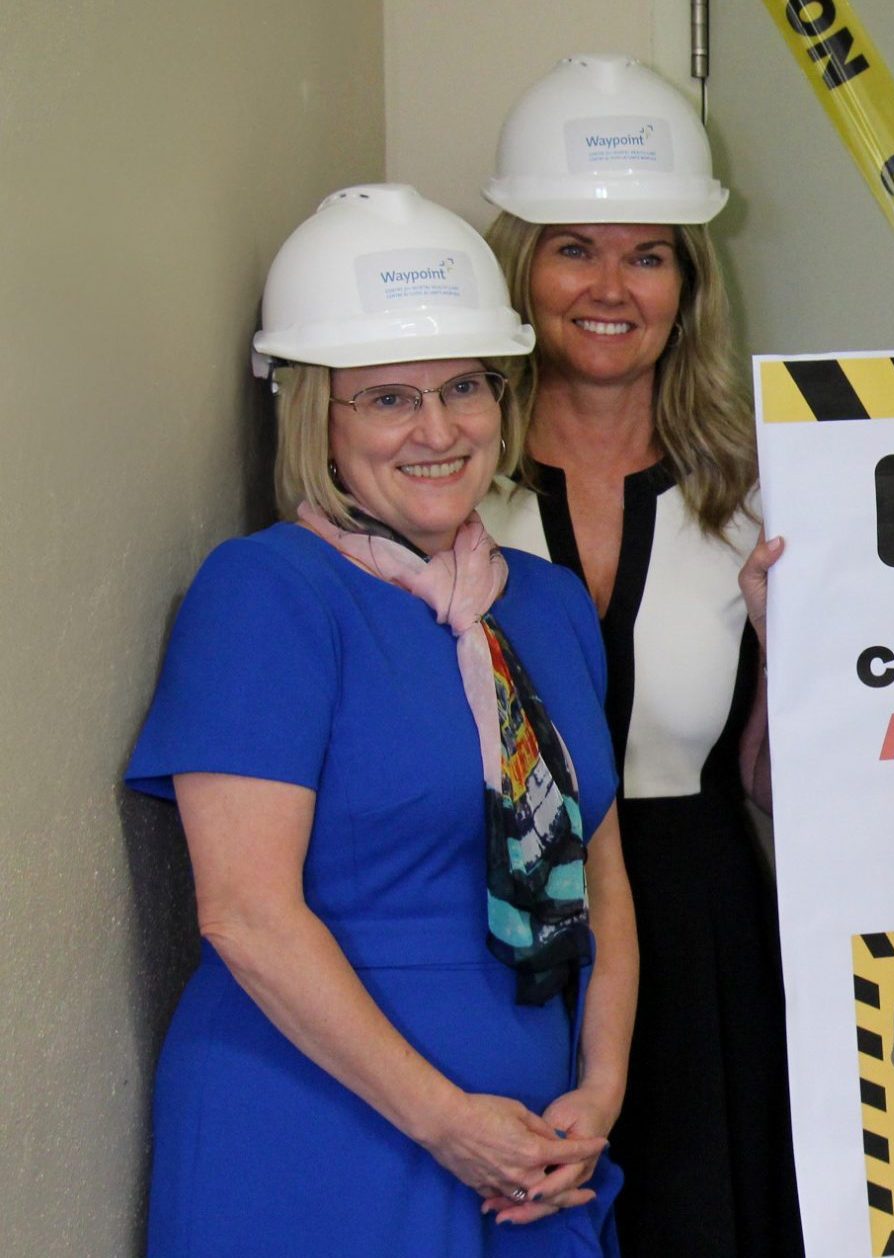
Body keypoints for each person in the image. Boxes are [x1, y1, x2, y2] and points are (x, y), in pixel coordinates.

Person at [127, 184, 637, 1254]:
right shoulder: (267, 595)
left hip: (532, 1154)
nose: (439, 431)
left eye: (465, 387)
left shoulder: (546, 605)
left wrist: (599, 1089)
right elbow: (246, 916)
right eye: (389, 399)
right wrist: (447, 1121)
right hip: (316, 1138)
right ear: (317, 414)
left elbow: (602, 880)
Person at [476, 54, 802, 1258]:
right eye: (574, 248)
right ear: (521, 269)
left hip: (702, 940)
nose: (610, 287)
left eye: (649, 255)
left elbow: (766, 782)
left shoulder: (760, 494)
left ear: (688, 283)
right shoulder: (450, 486)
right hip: (494, 934)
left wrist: (797, 654)